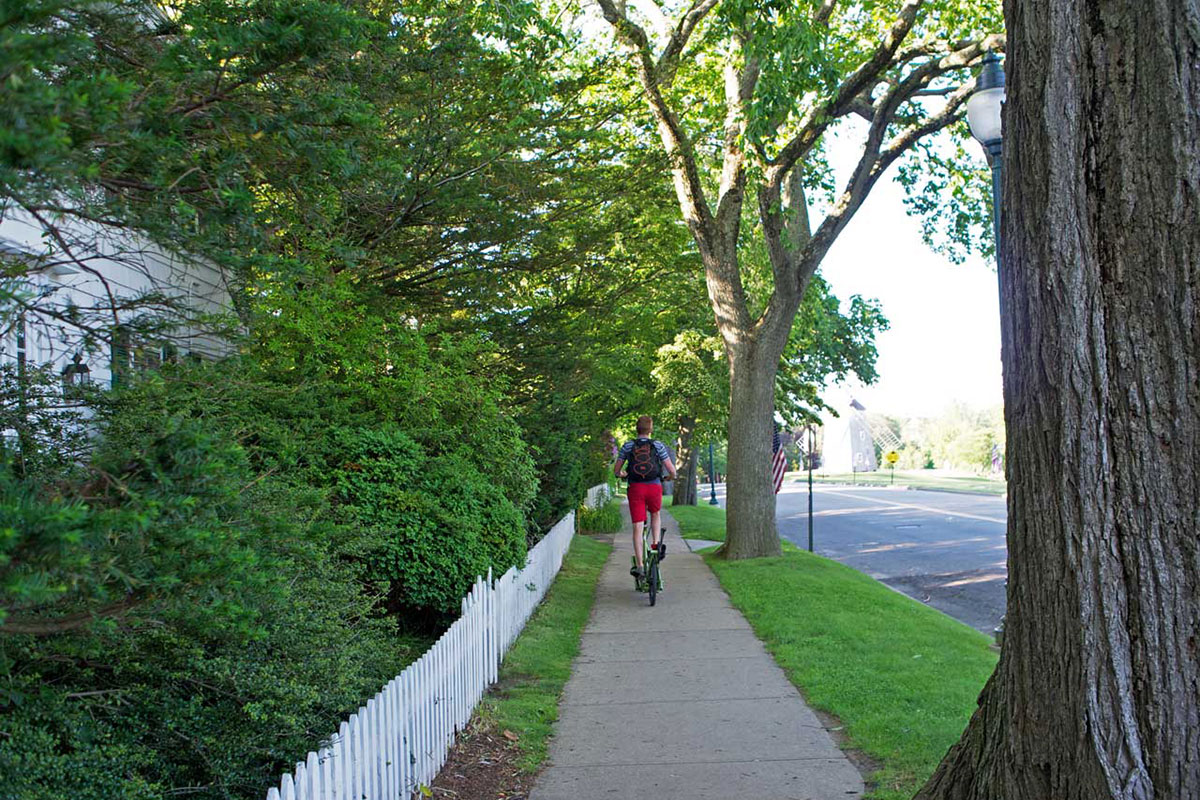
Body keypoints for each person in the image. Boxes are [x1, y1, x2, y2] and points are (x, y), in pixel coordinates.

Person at [613, 415, 676, 582]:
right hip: (654, 486)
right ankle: (655, 546)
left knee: (638, 527)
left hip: (635, 488)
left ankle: (640, 565)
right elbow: (672, 470)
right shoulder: (658, 445)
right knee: (655, 514)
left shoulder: (628, 446)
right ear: (650, 429)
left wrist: (622, 474)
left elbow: (616, 470)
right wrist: (670, 477)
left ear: (636, 429)